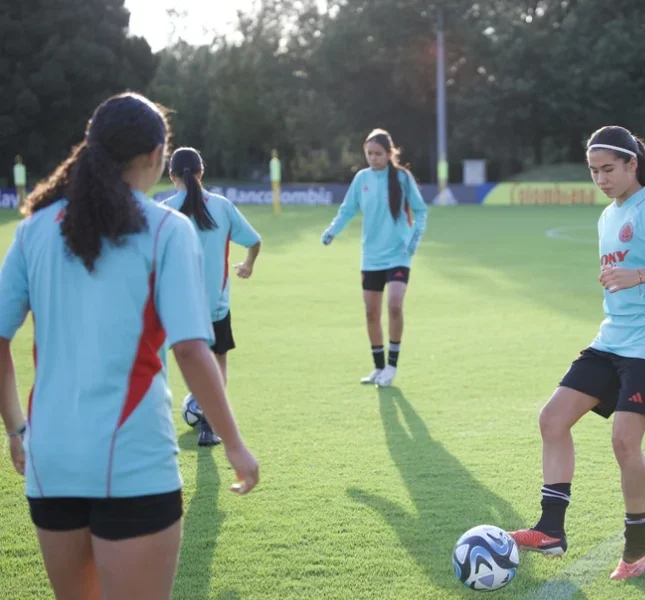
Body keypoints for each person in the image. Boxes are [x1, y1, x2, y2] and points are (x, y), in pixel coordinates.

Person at [0, 92, 259, 600]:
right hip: (134, 462)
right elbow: (190, 349)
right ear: (156, 155)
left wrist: (16, 429)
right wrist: (233, 444)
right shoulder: (167, 228)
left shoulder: (33, 230)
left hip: (50, 459)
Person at [508, 125, 645, 581]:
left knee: (624, 442)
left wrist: (637, 275)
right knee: (552, 419)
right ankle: (551, 530)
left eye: (609, 169)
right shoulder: (606, 216)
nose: (601, 179)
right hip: (612, 337)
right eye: (594, 171)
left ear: (633, 164)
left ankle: (637, 547)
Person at [162, 147, 262, 447]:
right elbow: (254, 241)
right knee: (217, 364)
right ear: (202, 172)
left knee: (174, 361)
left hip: (177, 306)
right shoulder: (221, 206)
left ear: (171, 176)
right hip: (216, 305)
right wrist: (247, 265)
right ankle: (209, 426)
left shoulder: (164, 209)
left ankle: (156, 427)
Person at [321, 128, 428, 388]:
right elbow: (347, 210)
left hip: (398, 254)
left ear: (389, 153)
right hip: (371, 256)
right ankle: (378, 366)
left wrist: (414, 238)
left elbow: (420, 210)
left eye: (378, 154)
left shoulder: (402, 178)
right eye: (369, 153)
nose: (373, 158)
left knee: (394, 305)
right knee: (371, 312)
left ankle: (392, 364)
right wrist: (332, 230)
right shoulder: (361, 179)